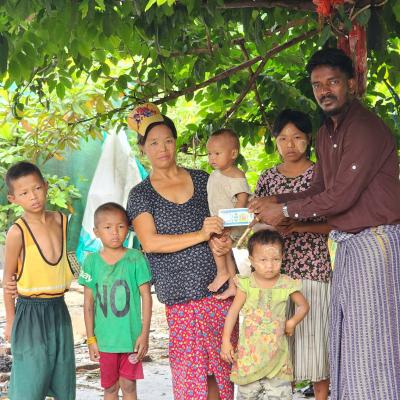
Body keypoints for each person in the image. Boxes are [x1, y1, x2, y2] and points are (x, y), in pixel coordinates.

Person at [249, 48, 400, 400]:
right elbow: (320, 189)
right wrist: (274, 201)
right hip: (350, 243)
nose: (324, 91)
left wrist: (285, 212)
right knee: (348, 337)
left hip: (375, 242)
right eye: (317, 85)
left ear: (352, 84)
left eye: (333, 82)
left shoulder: (364, 128)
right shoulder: (326, 133)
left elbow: (341, 197)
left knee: (372, 338)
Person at [126, 103, 237, 400]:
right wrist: (200, 234)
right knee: (192, 382)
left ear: (176, 142)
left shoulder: (203, 179)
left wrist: (225, 242)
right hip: (181, 299)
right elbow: (151, 242)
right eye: (153, 143)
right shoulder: (141, 194)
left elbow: (224, 224)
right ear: (143, 149)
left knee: (222, 378)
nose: (162, 148)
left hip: (218, 294)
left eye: (168, 140)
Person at [255, 109, 331, 400]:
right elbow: (257, 224)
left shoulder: (321, 175)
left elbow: (334, 223)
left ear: (308, 138)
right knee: (280, 350)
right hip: (274, 274)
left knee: (316, 346)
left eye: (297, 137)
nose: (290, 144)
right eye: (283, 138)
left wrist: (296, 226)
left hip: (313, 269)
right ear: (275, 140)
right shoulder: (267, 179)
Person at [3, 161, 76, 400]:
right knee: (30, 383)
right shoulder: (17, 232)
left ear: (45, 186)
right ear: (13, 199)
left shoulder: (62, 221)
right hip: (29, 314)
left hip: (59, 309)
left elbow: (71, 263)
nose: (33, 197)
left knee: (63, 379)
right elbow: (8, 279)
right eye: (24, 193)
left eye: (36, 188)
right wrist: (11, 321)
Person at [220, 229, 309, 400]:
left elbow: (304, 306)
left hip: (277, 359)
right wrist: (225, 341)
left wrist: (292, 322)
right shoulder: (246, 285)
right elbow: (232, 313)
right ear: (252, 260)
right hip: (249, 359)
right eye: (263, 260)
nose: (270, 265)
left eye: (275, 259)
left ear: (282, 257)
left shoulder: (286, 283)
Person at [78, 202, 152, 400]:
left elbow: (146, 297)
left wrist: (144, 334)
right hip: (105, 341)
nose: (115, 233)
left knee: (129, 385)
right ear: (96, 232)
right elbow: (88, 305)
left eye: (120, 226)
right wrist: (91, 339)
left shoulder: (136, 258)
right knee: (110, 388)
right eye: (108, 227)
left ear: (128, 229)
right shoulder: (91, 262)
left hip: (131, 339)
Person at [207, 128, 251, 294]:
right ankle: (233, 285)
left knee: (217, 244)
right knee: (225, 250)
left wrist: (230, 225)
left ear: (233, 154)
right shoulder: (215, 174)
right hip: (222, 222)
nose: (212, 158)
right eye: (209, 154)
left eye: (217, 153)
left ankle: (222, 272)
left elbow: (242, 201)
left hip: (233, 222)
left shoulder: (237, 176)